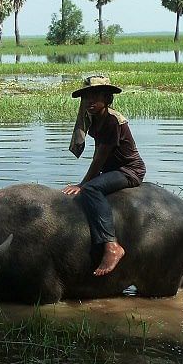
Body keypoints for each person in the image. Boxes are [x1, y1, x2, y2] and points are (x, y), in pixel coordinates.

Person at [62, 75, 146, 276]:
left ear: (107, 99)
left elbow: (100, 158)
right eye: (87, 97)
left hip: (128, 170)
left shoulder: (111, 122)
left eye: (96, 97)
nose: (90, 102)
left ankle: (111, 245)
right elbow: (98, 153)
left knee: (91, 189)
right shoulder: (95, 120)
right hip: (113, 170)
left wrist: (83, 184)